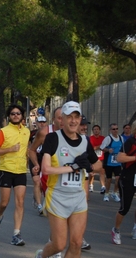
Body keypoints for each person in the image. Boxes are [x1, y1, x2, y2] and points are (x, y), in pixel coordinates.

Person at [34, 101, 101, 258]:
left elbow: (98, 165)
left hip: (78, 197)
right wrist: (73, 167)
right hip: (57, 196)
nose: (73, 121)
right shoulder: (53, 138)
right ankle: (42, 255)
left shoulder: (85, 141)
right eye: (69, 117)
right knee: (59, 244)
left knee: (77, 243)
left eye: (76, 117)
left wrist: (90, 168)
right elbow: (46, 169)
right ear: (61, 119)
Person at [0, 104, 30, 246]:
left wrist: (35, 163)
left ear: (22, 116)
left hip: (21, 171)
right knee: (4, 203)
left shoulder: (27, 132)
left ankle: (16, 234)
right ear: (9, 116)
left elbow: (27, 150)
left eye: (18, 113)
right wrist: (10, 149)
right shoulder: (4, 131)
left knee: (20, 202)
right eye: (12, 114)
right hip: (5, 170)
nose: (15, 116)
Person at [111, 120, 136, 244]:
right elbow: (120, 158)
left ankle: (135, 228)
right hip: (128, 178)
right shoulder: (130, 142)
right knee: (125, 208)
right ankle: (116, 230)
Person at [100, 123, 124, 202]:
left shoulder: (121, 138)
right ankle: (106, 194)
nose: (115, 130)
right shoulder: (108, 138)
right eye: (113, 129)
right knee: (109, 179)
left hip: (118, 162)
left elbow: (123, 148)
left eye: (116, 129)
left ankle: (115, 193)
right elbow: (102, 148)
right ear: (110, 130)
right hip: (109, 162)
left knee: (118, 178)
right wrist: (108, 150)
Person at [28, 115, 47, 215]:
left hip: (45, 159)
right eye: (40, 122)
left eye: (44, 122)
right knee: (36, 181)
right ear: (36, 123)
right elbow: (28, 146)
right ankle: (40, 206)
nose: (42, 124)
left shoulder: (49, 133)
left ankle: (37, 195)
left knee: (42, 183)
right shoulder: (32, 133)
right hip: (34, 158)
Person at [89, 124, 106, 194]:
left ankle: (103, 186)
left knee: (102, 172)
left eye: (97, 129)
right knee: (92, 173)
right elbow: (92, 148)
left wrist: (99, 147)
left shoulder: (103, 138)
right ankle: (90, 185)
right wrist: (100, 146)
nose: (96, 131)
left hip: (101, 157)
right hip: (93, 158)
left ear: (99, 130)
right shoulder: (90, 138)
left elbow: (104, 147)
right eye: (94, 129)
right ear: (93, 131)